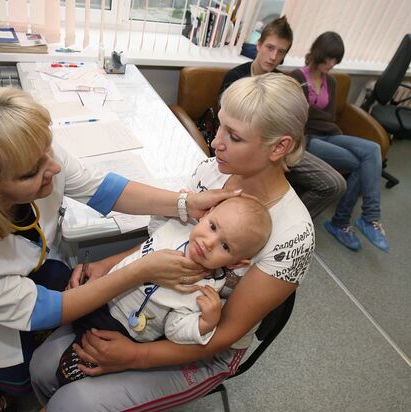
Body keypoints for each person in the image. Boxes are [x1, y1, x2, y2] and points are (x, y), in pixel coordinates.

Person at [0, 81, 233, 412]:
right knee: (18, 377)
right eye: (31, 173)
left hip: (24, 269)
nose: (54, 167)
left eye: (48, 150)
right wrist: (138, 271)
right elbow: (44, 311)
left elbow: (101, 188)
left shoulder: (27, 151)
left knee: (63, 299)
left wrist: (184, 204)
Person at [30, 73, 316, 411]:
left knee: (74, 403)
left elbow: (224, 333)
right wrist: (108, 265)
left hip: (201, 339)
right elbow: (169, 244)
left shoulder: (293, 236)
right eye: (220, 125)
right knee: (42, 367)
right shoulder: (212, 173)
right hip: (145, 305)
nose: (216, 141)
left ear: (280, 147)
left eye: (234, 136)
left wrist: (137, 356)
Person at [55, 197, 272, 386]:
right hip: (104, 291)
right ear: (207, 214)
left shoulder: (205, 290)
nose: (208, 243)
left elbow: (174, 330)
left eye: (225, 247)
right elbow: (149, 234)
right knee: (57, 284)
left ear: (236, 264)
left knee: (72, 369)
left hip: (119, 331)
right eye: (213, 227)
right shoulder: (177, 227)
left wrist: (205, 322)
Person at [219, 15, 346, 219]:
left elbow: (295, 127)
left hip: (282, 151)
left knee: (334, 184)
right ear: (258, 45)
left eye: (281, 51)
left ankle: (280, 221)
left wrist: (288, 152)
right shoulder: (236, 78)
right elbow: (226, 127)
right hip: (253, 151)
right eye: (270, 47)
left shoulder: (284, 84)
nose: (273, 56)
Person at [291, 32, 389, 252]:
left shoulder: (332, 82)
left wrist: (311, 112)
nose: (332, 63)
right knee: (359, 163)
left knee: (372, 149)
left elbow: (328, 117)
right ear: (319, 54)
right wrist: (313, 115)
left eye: (336, 59)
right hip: (309, 138)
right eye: (330, 58)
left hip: (330, 133)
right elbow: (298, 116)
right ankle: (340, 222)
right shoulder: (297, 77)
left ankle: (369, 217)